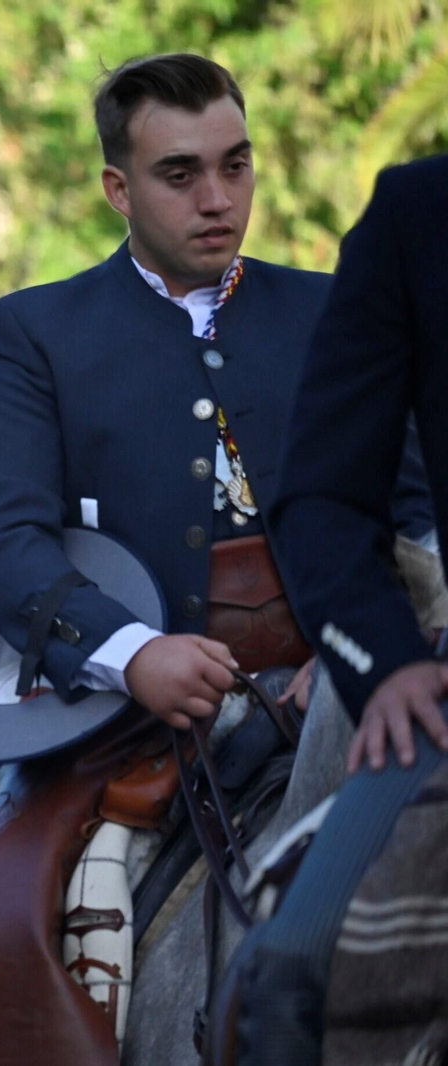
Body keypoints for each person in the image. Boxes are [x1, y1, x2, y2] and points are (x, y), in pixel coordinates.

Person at [0, 55, 432, 1066]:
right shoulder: (38, 330)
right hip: (134, 730)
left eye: (236, 166)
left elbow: (412, 505)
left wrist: (370, 647)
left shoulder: (336, 306)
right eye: (180, 173)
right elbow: (1, 541)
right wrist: (128, 652)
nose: (217, 199)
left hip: (355, 689)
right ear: (118, 187)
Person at [271, 153, 448, 774]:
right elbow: (326, 495)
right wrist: (382, 656)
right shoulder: (419, 211)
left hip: (423, 583)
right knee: (329, 872)